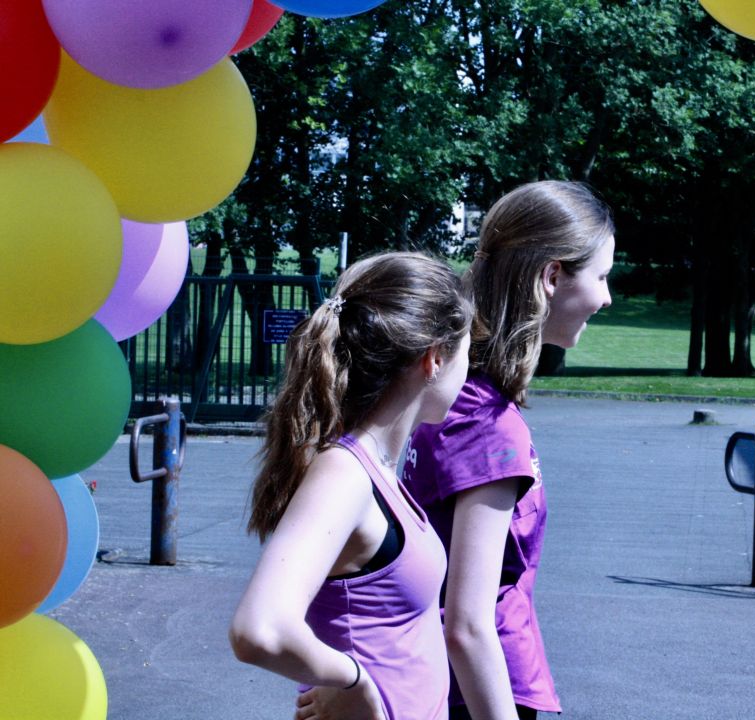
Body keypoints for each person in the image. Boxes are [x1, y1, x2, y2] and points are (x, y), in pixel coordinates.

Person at [402, 180, 616, 719]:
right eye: (601, 276)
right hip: (476, 696)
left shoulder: (449, 393)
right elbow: (467, 625)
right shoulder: (488, 424)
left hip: (431, 684)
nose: (607, 297)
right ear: (552, 277)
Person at [229, 252, 473, 720]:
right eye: (468, 351)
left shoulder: (376, 471)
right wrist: (352, 681)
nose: (470, 367)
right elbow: (259, 629)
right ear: (435, 359)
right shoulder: (344, 473)